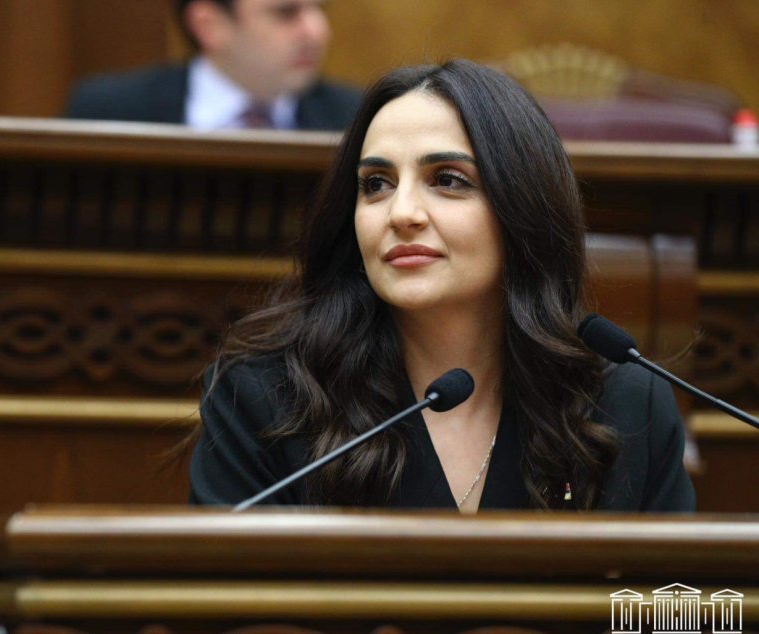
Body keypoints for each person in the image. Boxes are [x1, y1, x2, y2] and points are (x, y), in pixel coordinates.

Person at [188, 60, 696, 512]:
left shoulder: (625, 404)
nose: (402, 213)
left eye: (448, 179)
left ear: (522, 206)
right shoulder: (263, 397)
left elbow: (674, 590)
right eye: (376, 184)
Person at [64, 0, 361, 131]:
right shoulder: (109, 113)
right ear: (208, 25)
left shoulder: (356, 119)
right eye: (286, 13)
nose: (317, 31)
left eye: (319, 9)